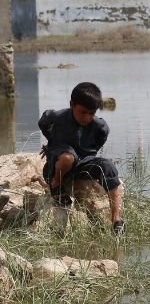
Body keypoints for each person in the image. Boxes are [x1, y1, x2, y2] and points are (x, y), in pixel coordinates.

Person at [38, 82, 124, 235]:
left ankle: (116, 220)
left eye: (92, 113)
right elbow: (43, 123)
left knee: (108, 166)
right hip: (57, 166)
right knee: (68, 157)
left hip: (83, 165)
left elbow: (101, 137)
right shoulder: (57, 117)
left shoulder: (99, 126)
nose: (87, 117)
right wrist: (51, 145)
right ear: (72, 104)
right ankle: (56, 185)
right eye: (83, 112)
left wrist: (90, 153)